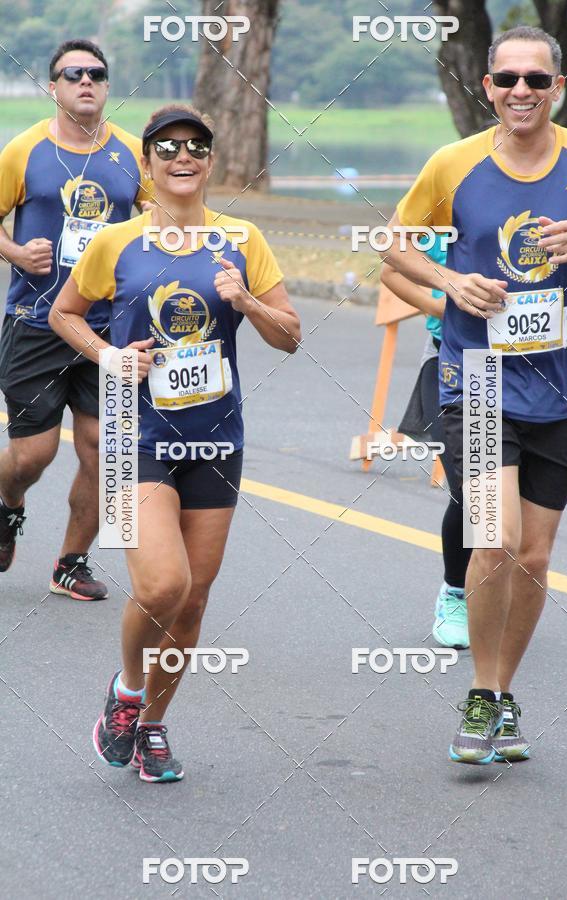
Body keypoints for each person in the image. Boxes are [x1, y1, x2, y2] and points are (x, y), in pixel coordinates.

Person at [50, 104, 301, 781]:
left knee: (192, 601)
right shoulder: (116, 242)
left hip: (217, 440)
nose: (182, 157)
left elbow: (290, 333)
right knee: (164, 585)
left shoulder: (243, 240)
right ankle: (128, 693)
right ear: (148, 163)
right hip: (136, 436)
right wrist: (107, 355)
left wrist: (246, 302)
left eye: (196, 146)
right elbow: (63, 313)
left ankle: (153, 727)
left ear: (211, 159)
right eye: (167, 148)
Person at [383, 26, 567, 764]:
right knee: (495, 539)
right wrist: (450, 284)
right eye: (506, 79)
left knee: (535, 559)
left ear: (558, 87)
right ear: (487, 87)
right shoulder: (454, 163)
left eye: (535, 80)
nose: (520, 92)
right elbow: (394, 242)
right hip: (476, 379)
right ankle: (479, 691)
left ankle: (503, 696)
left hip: (561, 390)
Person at [0, 39, 151, 599]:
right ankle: (6, 504)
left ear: (108, 87)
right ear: (54, 87)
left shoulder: (133, 154)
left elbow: (161, 224)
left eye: (96, 74)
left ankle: (71, 563)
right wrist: (14, 253)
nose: (85, 82)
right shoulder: (24, 151)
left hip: (108, 328)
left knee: (102, 450)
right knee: (35, 454)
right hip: (36, 320)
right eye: (73, 74)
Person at [381, 236, 471, 651]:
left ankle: (495, 588)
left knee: (516, 495)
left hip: (522, 366)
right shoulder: (447, 216)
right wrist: (440, 306)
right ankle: (455, 593)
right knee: (472, 491)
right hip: (452, 362)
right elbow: (390, 270)